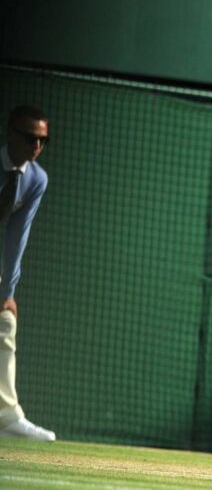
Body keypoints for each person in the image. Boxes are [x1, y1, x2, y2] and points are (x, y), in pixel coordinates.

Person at [0, 106, 55, 441]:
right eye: (29, 138)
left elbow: (17, 234)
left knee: (5, 322)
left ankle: (7, 416)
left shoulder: (36, 179)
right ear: (9, 133)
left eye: (43, 141)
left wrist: (8, 291)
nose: (36, 147)